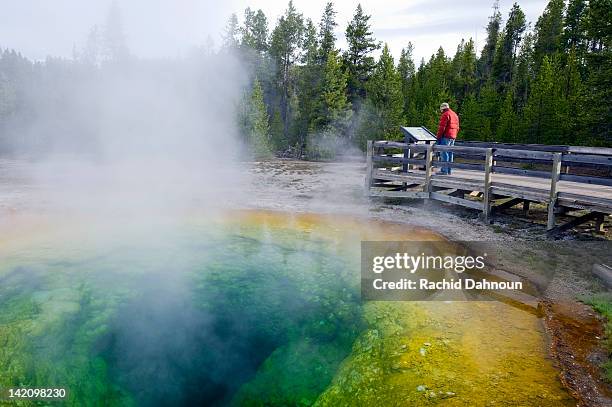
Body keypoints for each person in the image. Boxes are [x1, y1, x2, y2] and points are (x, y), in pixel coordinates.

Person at [436, 102, 460, 175]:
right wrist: (454, 135)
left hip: (446, 136)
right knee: (450, 153)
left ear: (442, 109)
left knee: (444, 153)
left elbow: (441, 128)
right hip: (453, 137)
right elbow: (458, 127)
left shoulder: (445, 114)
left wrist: (438, 137)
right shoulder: (455, 114)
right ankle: (449, 170)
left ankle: (444, 171)